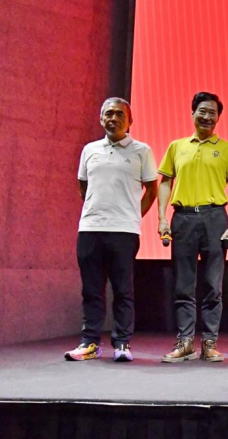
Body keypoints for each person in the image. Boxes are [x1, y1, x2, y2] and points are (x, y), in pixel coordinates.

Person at [66, 98, 158, 362]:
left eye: (119, 114)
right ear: (101, 118)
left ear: (130, 121)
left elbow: (151, 190)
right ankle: (89, 343)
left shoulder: (142, 151)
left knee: (123, 290)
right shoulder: (89, 150)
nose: (113, 118)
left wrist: (132, 217)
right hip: (90, 228)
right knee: (91, 290)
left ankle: (122, 343)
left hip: (124, 232)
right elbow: (83, 186)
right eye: (108, 114)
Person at [158, 92, 228, 363]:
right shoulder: (176, 147)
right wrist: (161, 218)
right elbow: (165, 182)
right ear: (192, 113)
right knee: (183, 284)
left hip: (215, 218)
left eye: (212, 113)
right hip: (182, 218)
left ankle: (209, 342)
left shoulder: (227, 149)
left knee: (212, 284)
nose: (207, 117)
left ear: (218, 118)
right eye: (202, 111)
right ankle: (185, 342)